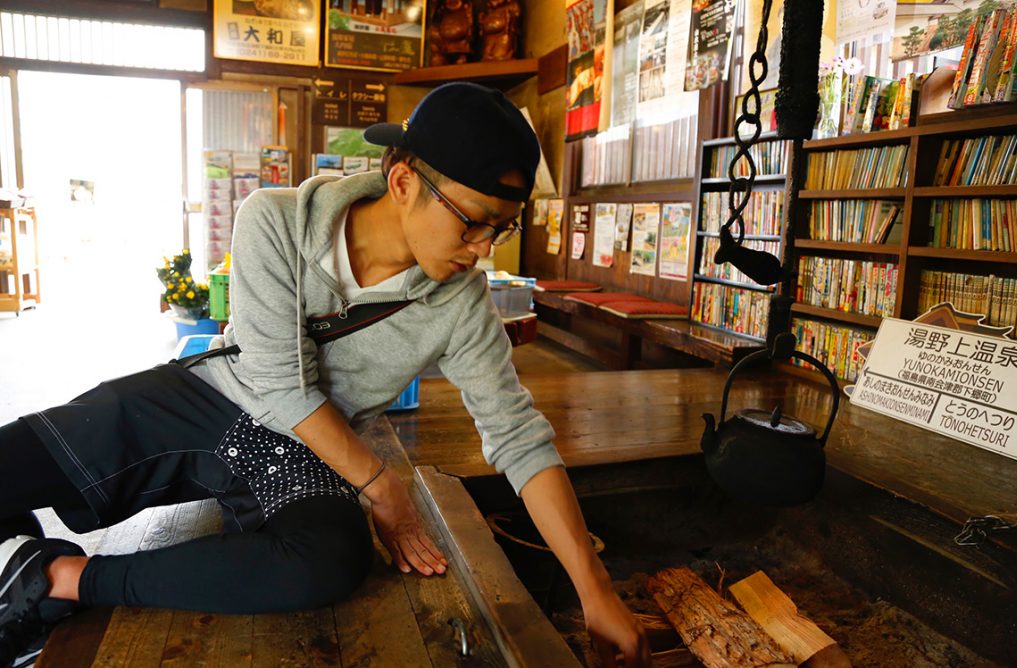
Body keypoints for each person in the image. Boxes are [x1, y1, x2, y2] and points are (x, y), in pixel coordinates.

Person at [0, 82, 650, 668]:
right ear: (402, 183)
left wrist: (594, 589)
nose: (482, 248)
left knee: (329, 561)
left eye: (500, 229)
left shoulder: (461, 303)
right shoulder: (275, 220)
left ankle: (60, 579)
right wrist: (382, 488)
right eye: (473, 220)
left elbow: (516, 436)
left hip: (311, 444)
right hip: (211, 398)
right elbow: (277, 383)